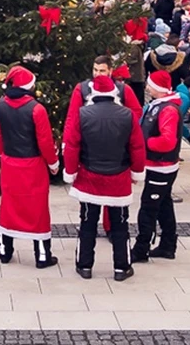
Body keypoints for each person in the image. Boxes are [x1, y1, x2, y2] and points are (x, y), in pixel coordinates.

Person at [61, 59, 145, 281]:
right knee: (120, 224)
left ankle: (85, 265)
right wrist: (137, 172)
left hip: (89, 175)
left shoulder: (82, 114)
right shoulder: (127, 115)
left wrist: (71, 172)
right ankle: (121, 267)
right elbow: (137, 146)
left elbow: (72, 145)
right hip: (118, 176)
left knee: (87, 222)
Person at [0, 65, 59, 269]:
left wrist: (4, 154)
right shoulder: (37, 109)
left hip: (10, 162)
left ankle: (5, 249)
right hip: (33, 164)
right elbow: (45, 141)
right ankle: (42, 254)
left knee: (9, 205)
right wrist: (53, 163)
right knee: (37, 209)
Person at [132, 69, 182, 263]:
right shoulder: (160, 105)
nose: (146, 87)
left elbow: (167, 141)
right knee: (163, 205)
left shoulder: (167, 109)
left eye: (149, 84)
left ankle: (141, 248)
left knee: (148, 208)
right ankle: (168, 245)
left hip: (161, 166)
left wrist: (145, 143)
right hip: (159, 165)